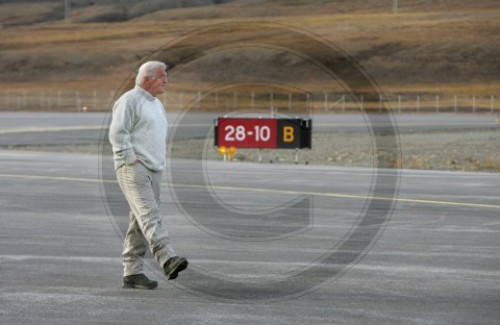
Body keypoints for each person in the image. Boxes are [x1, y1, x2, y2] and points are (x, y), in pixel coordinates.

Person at [109, 61, 188, 289]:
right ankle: (167, 258)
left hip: (154, 169)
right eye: (162, 77)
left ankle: (132, 272)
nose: (166, 80)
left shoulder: (156, 104)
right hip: (134, 167)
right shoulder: (129, 100)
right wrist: (129, 157)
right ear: (147, 79)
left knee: (139, 221)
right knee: (149, 215)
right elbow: (117, 133)